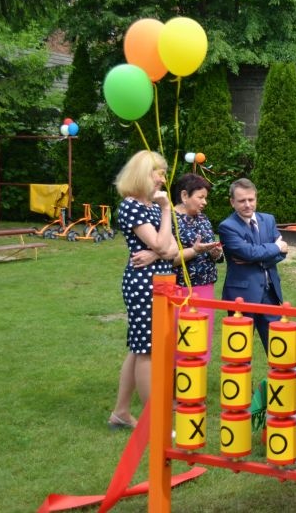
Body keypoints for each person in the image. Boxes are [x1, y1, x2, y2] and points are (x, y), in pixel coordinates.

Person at [109, 150, 177, 430]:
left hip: (161, 281)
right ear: (142, 174)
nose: (162, 179)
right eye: (158, 174)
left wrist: (156, 252)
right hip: (144, 284)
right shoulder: (132, 206)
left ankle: (121, 412)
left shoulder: (151, 206)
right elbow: (162, 244)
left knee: (139, 349)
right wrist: (166, 211)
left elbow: (173, 249)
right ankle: (155, 421)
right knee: (147, 350)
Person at [218, 178, 288, 351]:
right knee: (239, 350)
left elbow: (282, 253)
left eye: (251, 199)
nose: (247, 204)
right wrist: (275, 247)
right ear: (232, 202)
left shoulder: (269, 220)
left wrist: (258, 256)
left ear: (256, 198)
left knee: (278, 349)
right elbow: (249, 253)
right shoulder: (227, 226)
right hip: (241, 296)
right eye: (242, 201)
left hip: (270, 294)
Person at [170, 173, 222, 362]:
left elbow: (213, 250)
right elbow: (168, 259)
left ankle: (197, 373)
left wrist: (216, 253)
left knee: (201, 336)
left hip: (205, 287)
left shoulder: (203, 219)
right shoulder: (169, 220)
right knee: (182, 337)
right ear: (184, 196)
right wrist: (194, 250)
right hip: (180, 289)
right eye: (200, 197)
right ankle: (177, 374)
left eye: (205, 198)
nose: (204, 202)